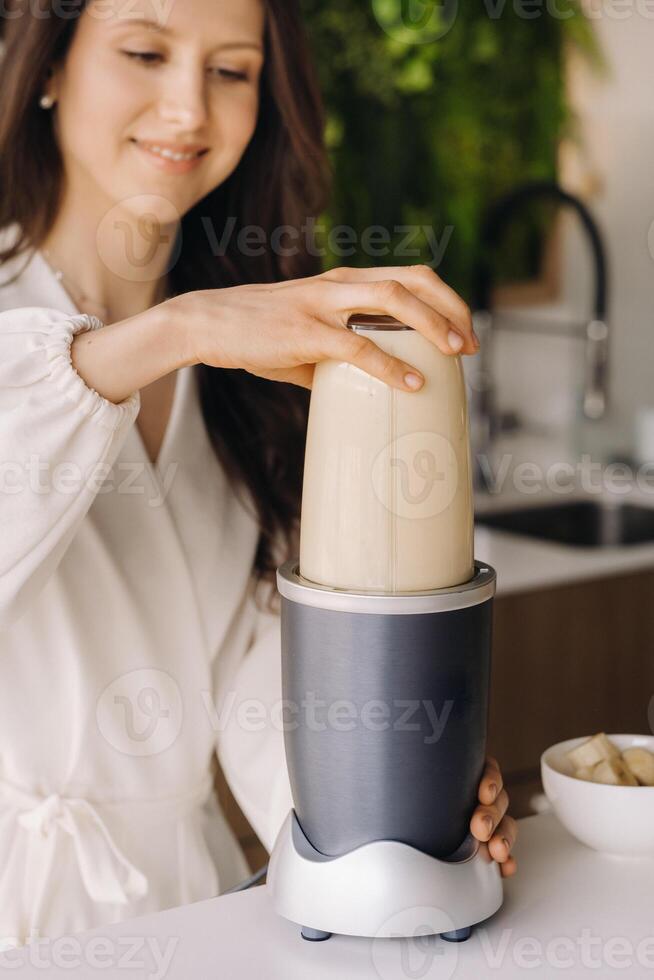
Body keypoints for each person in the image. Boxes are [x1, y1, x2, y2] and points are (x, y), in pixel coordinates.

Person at [0, 0, 517, 949]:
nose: (189, 108)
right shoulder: (190, 331)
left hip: (191, 916)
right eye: (146, 52)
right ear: (48, 67)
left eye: (232, 71)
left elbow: (261, 684)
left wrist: (387, 807)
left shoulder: (248, 378)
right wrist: (179, 330)